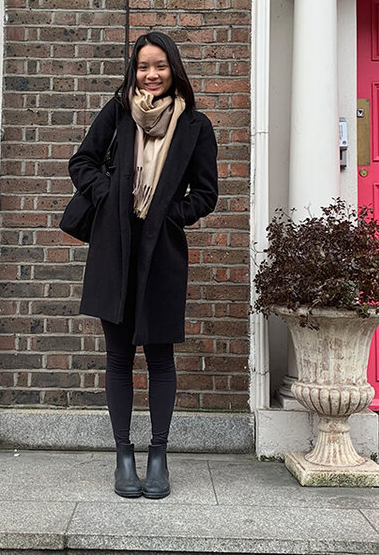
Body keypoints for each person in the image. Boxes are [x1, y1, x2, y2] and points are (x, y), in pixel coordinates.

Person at [68, 31, 219, 499]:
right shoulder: (117, 113)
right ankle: (123, 455)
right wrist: (107, 196)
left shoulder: (196, 126)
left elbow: (207, 194)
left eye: (159, 66)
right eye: (142, 67)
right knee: (117, 357)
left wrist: (172, 215)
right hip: (115, 248)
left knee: (159, 357)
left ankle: (158, 454)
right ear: (133, 71)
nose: (150, 75)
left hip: (163, 252)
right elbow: (82, 162)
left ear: (174, 70)